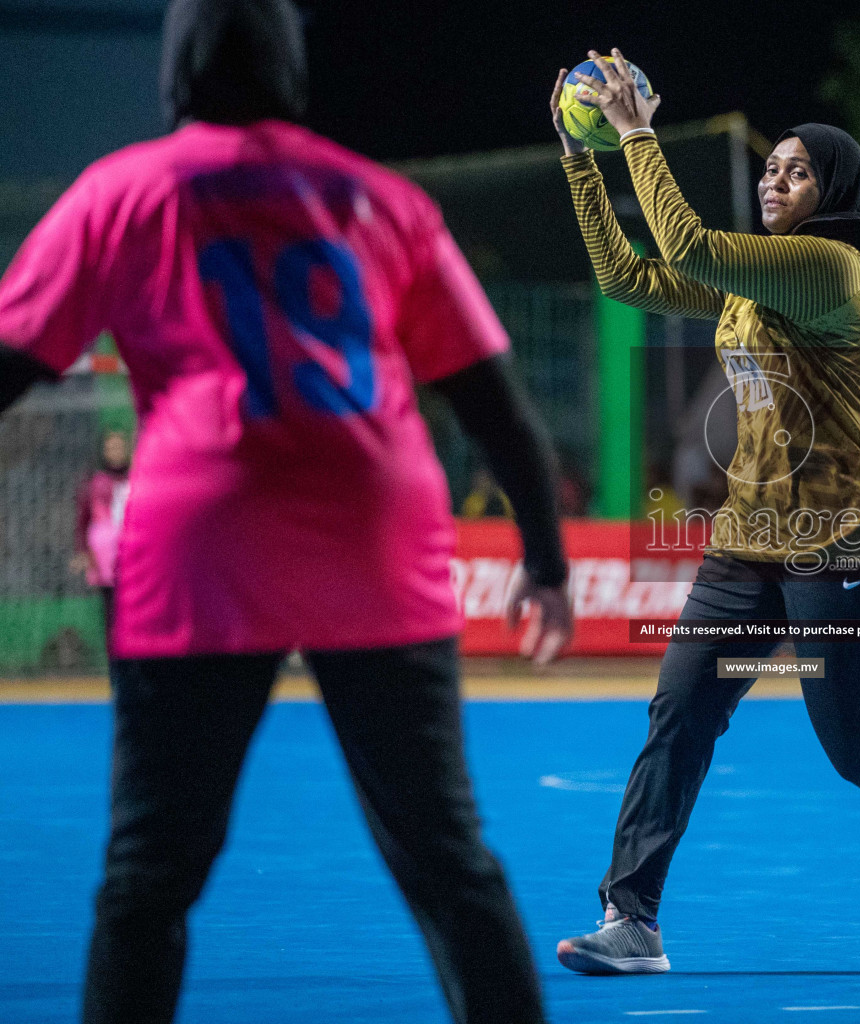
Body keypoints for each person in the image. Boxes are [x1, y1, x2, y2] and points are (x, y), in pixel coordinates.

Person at [0, 3, 572, 1022]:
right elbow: (500, 411)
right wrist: (548, 564)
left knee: (148, 876)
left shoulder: (120, 193)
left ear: (176, 71)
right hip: (373, 532)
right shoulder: (378, 198)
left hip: (201, 541)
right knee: (449, 863)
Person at [548, 50, 860, 975]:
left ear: (834, 192)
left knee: (859, 748)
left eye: (796, 169)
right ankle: (633, 919)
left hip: (846, 541)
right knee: (681, 710)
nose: (775, 178)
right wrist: (582, 159)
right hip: (749, 543)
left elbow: (690, 247)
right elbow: (629, 277)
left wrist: (635, 135)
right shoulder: (759, 279)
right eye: (770, 167)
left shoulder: (831, 271)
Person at [72, 429, 133, 642]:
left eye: (118, 447)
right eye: (110, 448)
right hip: (105, 558)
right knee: (112, 613)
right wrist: (81, 552)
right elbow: (82, 519)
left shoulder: (136, 477)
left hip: (134, 554)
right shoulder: (94, 482)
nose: (115, 452)